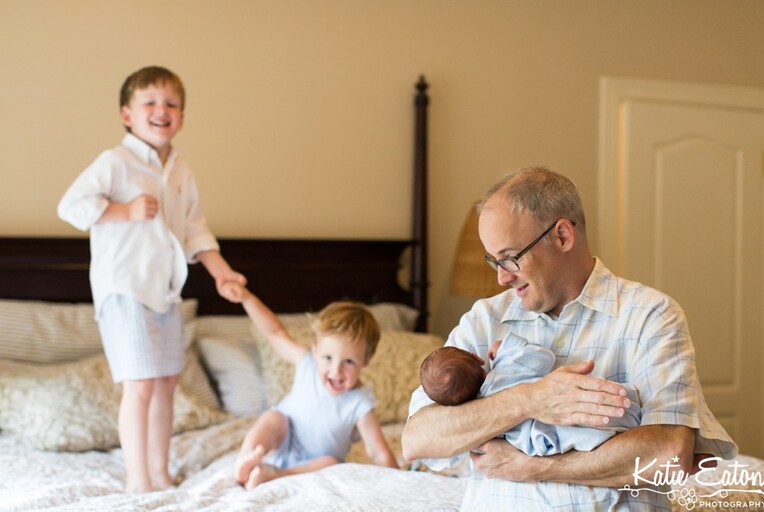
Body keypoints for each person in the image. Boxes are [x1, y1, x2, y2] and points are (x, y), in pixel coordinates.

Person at [402, 166, 736, 510]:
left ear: (562, 236)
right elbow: (418, 439)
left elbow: (669, 454)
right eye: (494, 261)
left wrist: (534, 467)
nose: (502, 278)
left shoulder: (651, 316)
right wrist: (529, 399)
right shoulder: (485, 320)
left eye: (510, 258)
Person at [57, 66, 245, 493]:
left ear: (182, 116)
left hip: (166, 292)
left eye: (172, 104)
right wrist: (123, 211)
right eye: (150, 103)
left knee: (165, 386)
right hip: (125, 290)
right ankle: (137, 478)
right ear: (127, 114)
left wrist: (220, 272)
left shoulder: (180, 170)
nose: (162, 110)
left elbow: (195, 229)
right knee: (139, 384)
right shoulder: (115, 163)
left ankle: (159, 471)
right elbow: (70, 206)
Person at [223, 283, 398, 490]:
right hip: (281, 441)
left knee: (332, 462)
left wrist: (400, 482)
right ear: (315, 351)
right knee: (274, 417)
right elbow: (275, 332)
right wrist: (246, 298)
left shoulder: (360, 403)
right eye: (327, 358)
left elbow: (378, 452)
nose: (336, 371)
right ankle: (247, 459)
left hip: (315, 465)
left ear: (366, 360)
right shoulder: (307, 363)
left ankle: (274, 477)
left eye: (349, 362)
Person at [420, 338, 641, 463]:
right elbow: (543, 357)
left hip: (560, 439)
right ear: (478, 359)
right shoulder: (508, 368)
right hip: (584, 404)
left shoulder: (482, 423)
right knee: (616, 403)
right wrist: (505, 348)